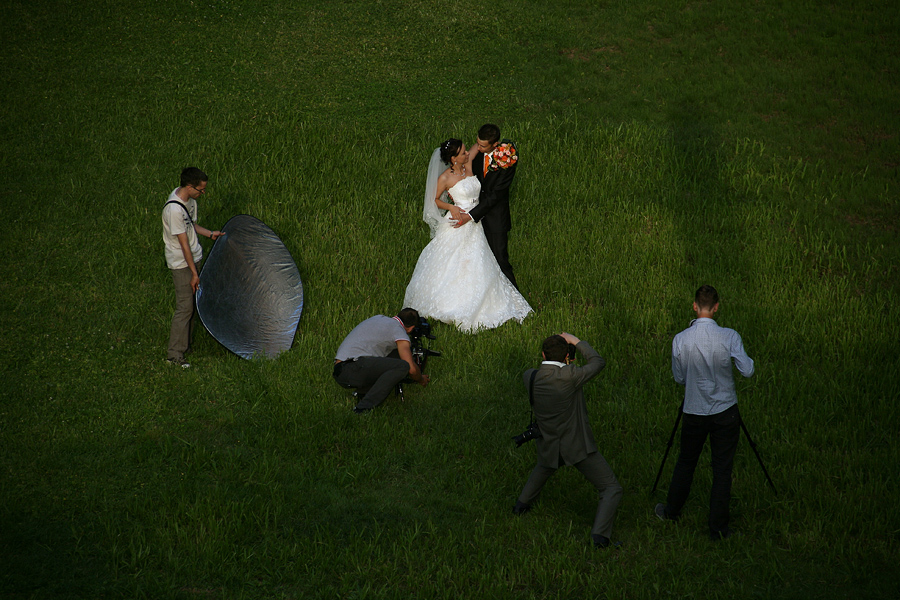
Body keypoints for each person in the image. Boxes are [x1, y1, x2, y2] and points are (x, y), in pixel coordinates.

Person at [655, 285, 755, 540]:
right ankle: (718, 529)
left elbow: (679, 378)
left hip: (694, 411)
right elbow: (747, 370)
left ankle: (672, 512)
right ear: (717, 307)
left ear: (694, 306)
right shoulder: (730, 336)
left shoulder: (681, 339)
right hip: (725, 412)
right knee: (722, 469)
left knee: (686, 462)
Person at [403, 138, 531, 333]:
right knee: (456, 262)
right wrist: (451, 207)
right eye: (462, 153)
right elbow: (434, 200)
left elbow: (479, 145)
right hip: (458, 222)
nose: (467, 154)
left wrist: (497, 145)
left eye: (465, 151)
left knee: (477, 261)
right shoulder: (446, 177)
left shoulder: (468, 165)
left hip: (475, 221)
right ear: (453, 158)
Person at [514, 332, 623, 549]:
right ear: (567, 357)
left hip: (549, 443)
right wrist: (577, 342)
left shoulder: (530, 376)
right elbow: (598, 362)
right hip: (575, 446)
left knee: (544, 467)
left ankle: (521, 505)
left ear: (543, 354)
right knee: (611, 488)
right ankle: (600, 537)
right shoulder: (571, 376)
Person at [162, 167, 222, 368]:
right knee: (184, 307)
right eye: (200, 189)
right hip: (181, 264)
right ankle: (174, 355)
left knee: (192, 305)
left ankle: (185, 345)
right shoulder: (173, 210)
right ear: (189, 186)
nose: (202, 193)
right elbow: (183, 243)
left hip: (193, 258)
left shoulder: (190, 202)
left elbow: (191, 226)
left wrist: (210, 233)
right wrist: (194, 274)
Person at [452, 124, 518, 288]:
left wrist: (471, 215)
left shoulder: (507, 159)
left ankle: (515, 299)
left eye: (482, 145)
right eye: (477, 143)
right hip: (473, 212)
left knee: (500, 260)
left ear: (494, 144)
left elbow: (496, 194)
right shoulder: (476, 154)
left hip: (495, 217)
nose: (478, 148)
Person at [333, 308, 430, 413]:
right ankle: (363, 408)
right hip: (352, 368)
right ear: (411, 328)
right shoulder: (398, 331)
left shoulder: (379, 318)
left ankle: (363, 393)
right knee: (403, 366)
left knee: (396, 356)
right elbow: (411, 368)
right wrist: (421, 379)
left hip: (341, 368)